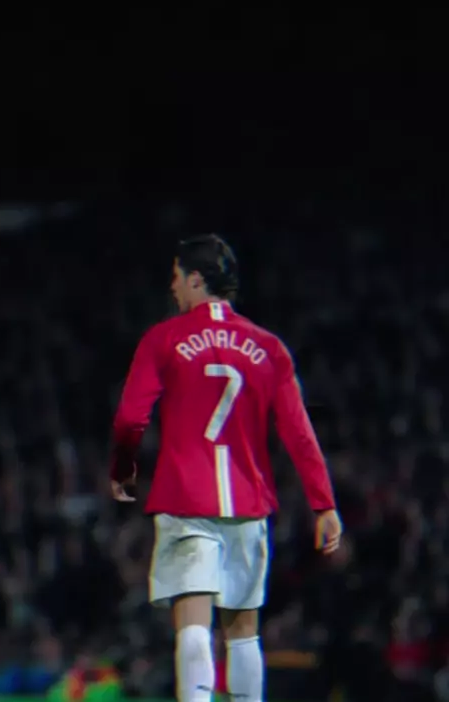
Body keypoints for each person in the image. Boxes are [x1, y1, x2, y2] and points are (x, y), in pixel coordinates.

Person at [110, 234, 342, 702]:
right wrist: (324, 504)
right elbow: (298, 432)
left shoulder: (163, 339)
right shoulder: (268, 347)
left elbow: (131, 416)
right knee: (242, 631)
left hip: (186, 500)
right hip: (247, 503)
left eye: (177, 277)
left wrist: (123, 466)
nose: (173, 286)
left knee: (193, 625)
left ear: (196, 279)